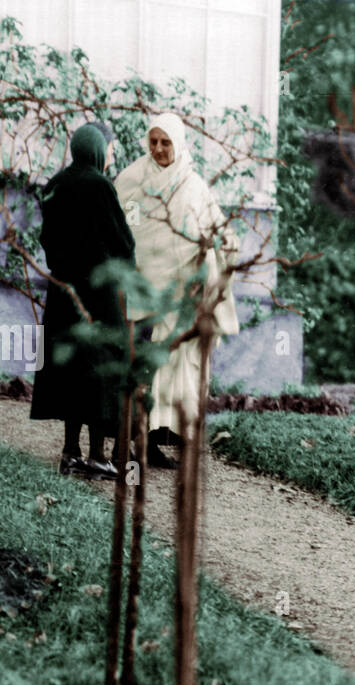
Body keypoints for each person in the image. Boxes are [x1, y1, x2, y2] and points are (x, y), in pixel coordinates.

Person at [113, 112, 240, 469]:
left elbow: (218, 229)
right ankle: (140, 442)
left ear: (178, 143)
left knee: (182, 365)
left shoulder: (193, 186)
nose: (158, 149)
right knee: (149, 367)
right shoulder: (133, 180)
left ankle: (168, 438)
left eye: (165, 142)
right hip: (147, 291)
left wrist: (223, 246)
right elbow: (129, 231)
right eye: (153, 141)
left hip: (185, 296)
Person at [30, 122, 136, 479]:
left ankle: (70, 452)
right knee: (100, 371)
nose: (111, 157)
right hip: (98, 295)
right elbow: (123, 241)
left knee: (71, 369)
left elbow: (47, 240)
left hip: (64, 293)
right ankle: (97, 456)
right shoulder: (100, 185)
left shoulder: (55, 184)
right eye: (109, 149)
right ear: (97, 150)